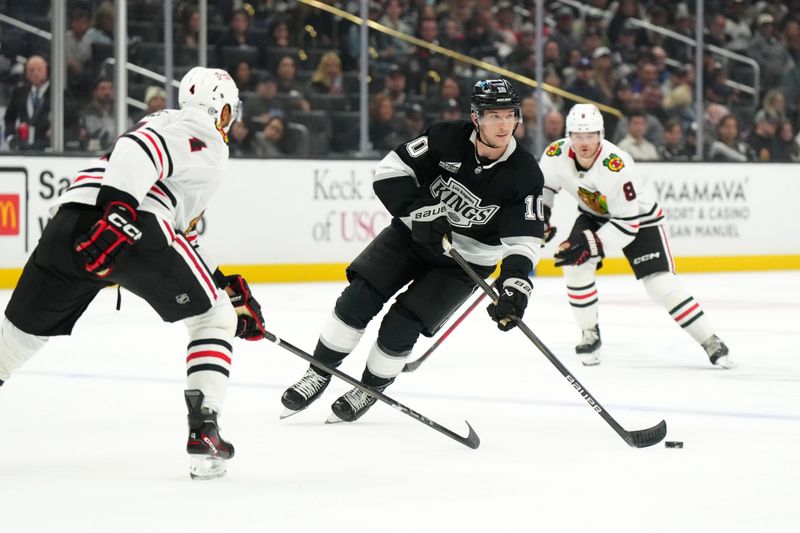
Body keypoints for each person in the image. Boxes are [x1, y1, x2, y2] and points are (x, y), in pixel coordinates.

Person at [0, 67, 266, 480]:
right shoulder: (206, 137)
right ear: (221, 109)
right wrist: (118, 213)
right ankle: (204, 434)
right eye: (231, 110)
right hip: (133, 228)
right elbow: (139, 149)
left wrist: (220, 281)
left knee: (15, 340)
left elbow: (180, 232)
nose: (233, 120)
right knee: (214, 319)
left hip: (69, 226)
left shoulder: (164, 120)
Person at [280, 79, 545, 423]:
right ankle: (319, 371)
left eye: (509, 115)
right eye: (493, 116)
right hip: (412, 235)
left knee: (402, 326)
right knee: (357, 299)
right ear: (475, 117)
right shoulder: (445, 137)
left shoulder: (525, 173)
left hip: (464, 261)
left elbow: (522, 242)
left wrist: (514, 288)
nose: (504, 125)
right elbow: (390, 171)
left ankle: (370, 389)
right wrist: (420, 212)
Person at [538, 104, 734, 369]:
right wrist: (542, 219)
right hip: (594, 215)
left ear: (601, 135)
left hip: (639, 219)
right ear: (569, 135)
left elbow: (628, 223)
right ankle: (590, 334)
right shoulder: (555, 153)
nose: (584, 142)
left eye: (591, 135)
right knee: (574, 266)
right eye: (578, 135)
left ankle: (710, 340)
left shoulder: (616, 165)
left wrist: (590, 244)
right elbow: (545, 187)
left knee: (660, 284)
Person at [3, 55, 51, 151]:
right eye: (31, 70)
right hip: (23, 147)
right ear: (27, 74)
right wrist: (11, 138)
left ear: (46, 70)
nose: (35, 73)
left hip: (48, 146)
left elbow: (70, 119)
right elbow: (9, 118)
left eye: (39, 69)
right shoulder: (20, 92)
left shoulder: (56, 93)